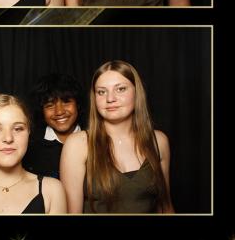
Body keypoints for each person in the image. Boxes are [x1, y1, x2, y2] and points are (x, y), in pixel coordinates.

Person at [60, 60, 173, 213]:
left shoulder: (158, 141)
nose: (110, 98)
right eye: (101, 92)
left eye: (120, 89)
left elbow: (166, 208)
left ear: (137, 92)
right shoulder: (78, 145)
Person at [24, 73, 84, 179]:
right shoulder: (29, 144)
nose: (59, 112)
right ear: (42, 110)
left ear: (77, 104)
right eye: (50, 105)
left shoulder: (95, 139)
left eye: (66, 102)